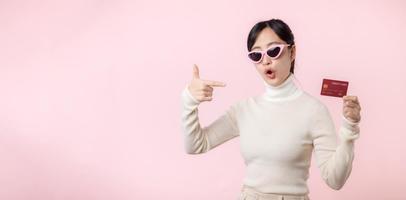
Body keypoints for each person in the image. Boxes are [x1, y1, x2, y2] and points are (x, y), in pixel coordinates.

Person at [180, 19, 361, 200]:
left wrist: (350, 128)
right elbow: (196, 145)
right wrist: (189, 100)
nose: (265, 61)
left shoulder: (314, 111)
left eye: (273, 51)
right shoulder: (243, 110)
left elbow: (335, 180)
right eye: (256, 55)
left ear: (292, 52)